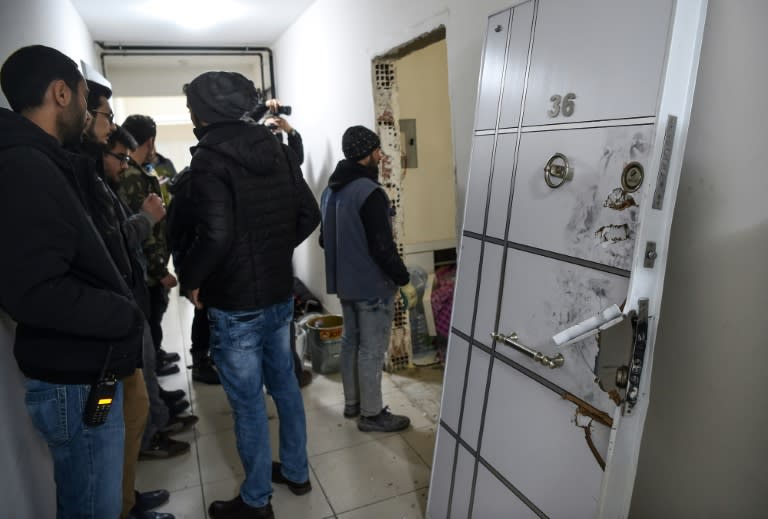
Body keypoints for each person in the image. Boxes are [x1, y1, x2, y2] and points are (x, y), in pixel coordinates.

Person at [0, 44, 143, 519]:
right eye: (85, 98)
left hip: (86, 371)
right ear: (62, 93)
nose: (88, 112)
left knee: (93, 498)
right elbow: (33, 291)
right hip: (74, 382)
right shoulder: (24, 167)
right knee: (90, 506)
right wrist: (122, 312)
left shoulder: (48, 161)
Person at [180, 71, 320, 519]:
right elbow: (308, 214)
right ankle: (296, 471)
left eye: (191, 108)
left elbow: (216, 236)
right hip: (278, 296)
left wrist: (191, 278)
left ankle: (256, 500)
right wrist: (273, 251)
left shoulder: (208, 160)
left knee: (247, 406)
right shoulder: (276, 150)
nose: (191, 115)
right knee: (284, 386)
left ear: (204, 113)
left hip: (235, 305)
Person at [77, 81, 176, 519]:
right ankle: (123, 503)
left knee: (130, 413)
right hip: (107, 327)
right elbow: (114, 244)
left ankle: (128, 501)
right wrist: (149, 231)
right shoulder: (77, 181)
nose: (107, 125)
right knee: (116, 423)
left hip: (124, 311)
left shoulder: (98, 181)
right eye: (103, 114)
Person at [103, 126, 196, 464]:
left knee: (147, 357)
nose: (124, 166)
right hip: (129, 289)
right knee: (140, 366)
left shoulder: (124, 180)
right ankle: (152, 431)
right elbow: (125, 238)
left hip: (135, 284)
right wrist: (158, 270)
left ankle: (156, 421)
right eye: (120, 158)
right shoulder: (121, 184)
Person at [320, 125, 416, 433]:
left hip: (345, 285)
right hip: (372, 287)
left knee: (351, 342)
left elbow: (325, 240)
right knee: (372, 349)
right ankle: (372, 415)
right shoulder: (369, 193)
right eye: (376, 149)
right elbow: (382, 246)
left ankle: (353, 404)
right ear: (366, 155)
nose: (380, 154)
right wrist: (403, 280)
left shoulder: (329, 191)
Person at [117, 114, 180, 378]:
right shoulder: (132, 174)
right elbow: (147, 230)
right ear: (150, 140)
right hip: (146, 268)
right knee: (151, 317)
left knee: (155, 315)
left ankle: (158, 355)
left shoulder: (142, 169)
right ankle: (154, 364)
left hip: (151, 263)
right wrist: (159, 270)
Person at [166, 166, 221, 384]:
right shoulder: (197, 186)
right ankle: (201, 363)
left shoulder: (189, 182)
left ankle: (205, 359)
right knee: (204, 311)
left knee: (205, 311)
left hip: (192, 260)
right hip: (200, 261)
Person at [263, 98, 304, 165]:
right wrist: (264, 105)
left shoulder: (285, 158)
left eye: (276, 127)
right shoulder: (255, 155)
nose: (273, 132)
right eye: (270, 127)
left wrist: (290, 130)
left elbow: (297, 160)